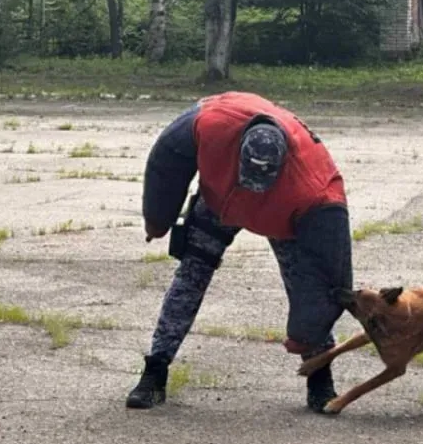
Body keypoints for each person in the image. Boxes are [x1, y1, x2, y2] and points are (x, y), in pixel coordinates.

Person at [126, 90, 353, 413]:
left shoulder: (315, 188)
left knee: (303, 285)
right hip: (219, 202)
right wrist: (157, 219)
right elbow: (167, 160)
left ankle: (320, 380)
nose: (251, 191)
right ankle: (155, 372)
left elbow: (328, 275)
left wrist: (308, 331)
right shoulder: (210, 123)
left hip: (282, 217)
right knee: (190, 278)